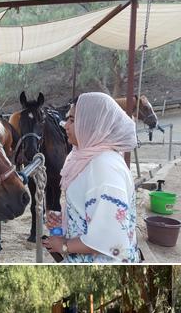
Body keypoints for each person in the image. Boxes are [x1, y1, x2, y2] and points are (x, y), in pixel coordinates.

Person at [41, 92, 138, 263]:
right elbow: (95, 210)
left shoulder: (104, 168)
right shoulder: (85, 156)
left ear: (92, 124)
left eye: (72, 120)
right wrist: (65, 220)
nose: (65, 125)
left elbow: (111, 238)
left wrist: (64, 246)